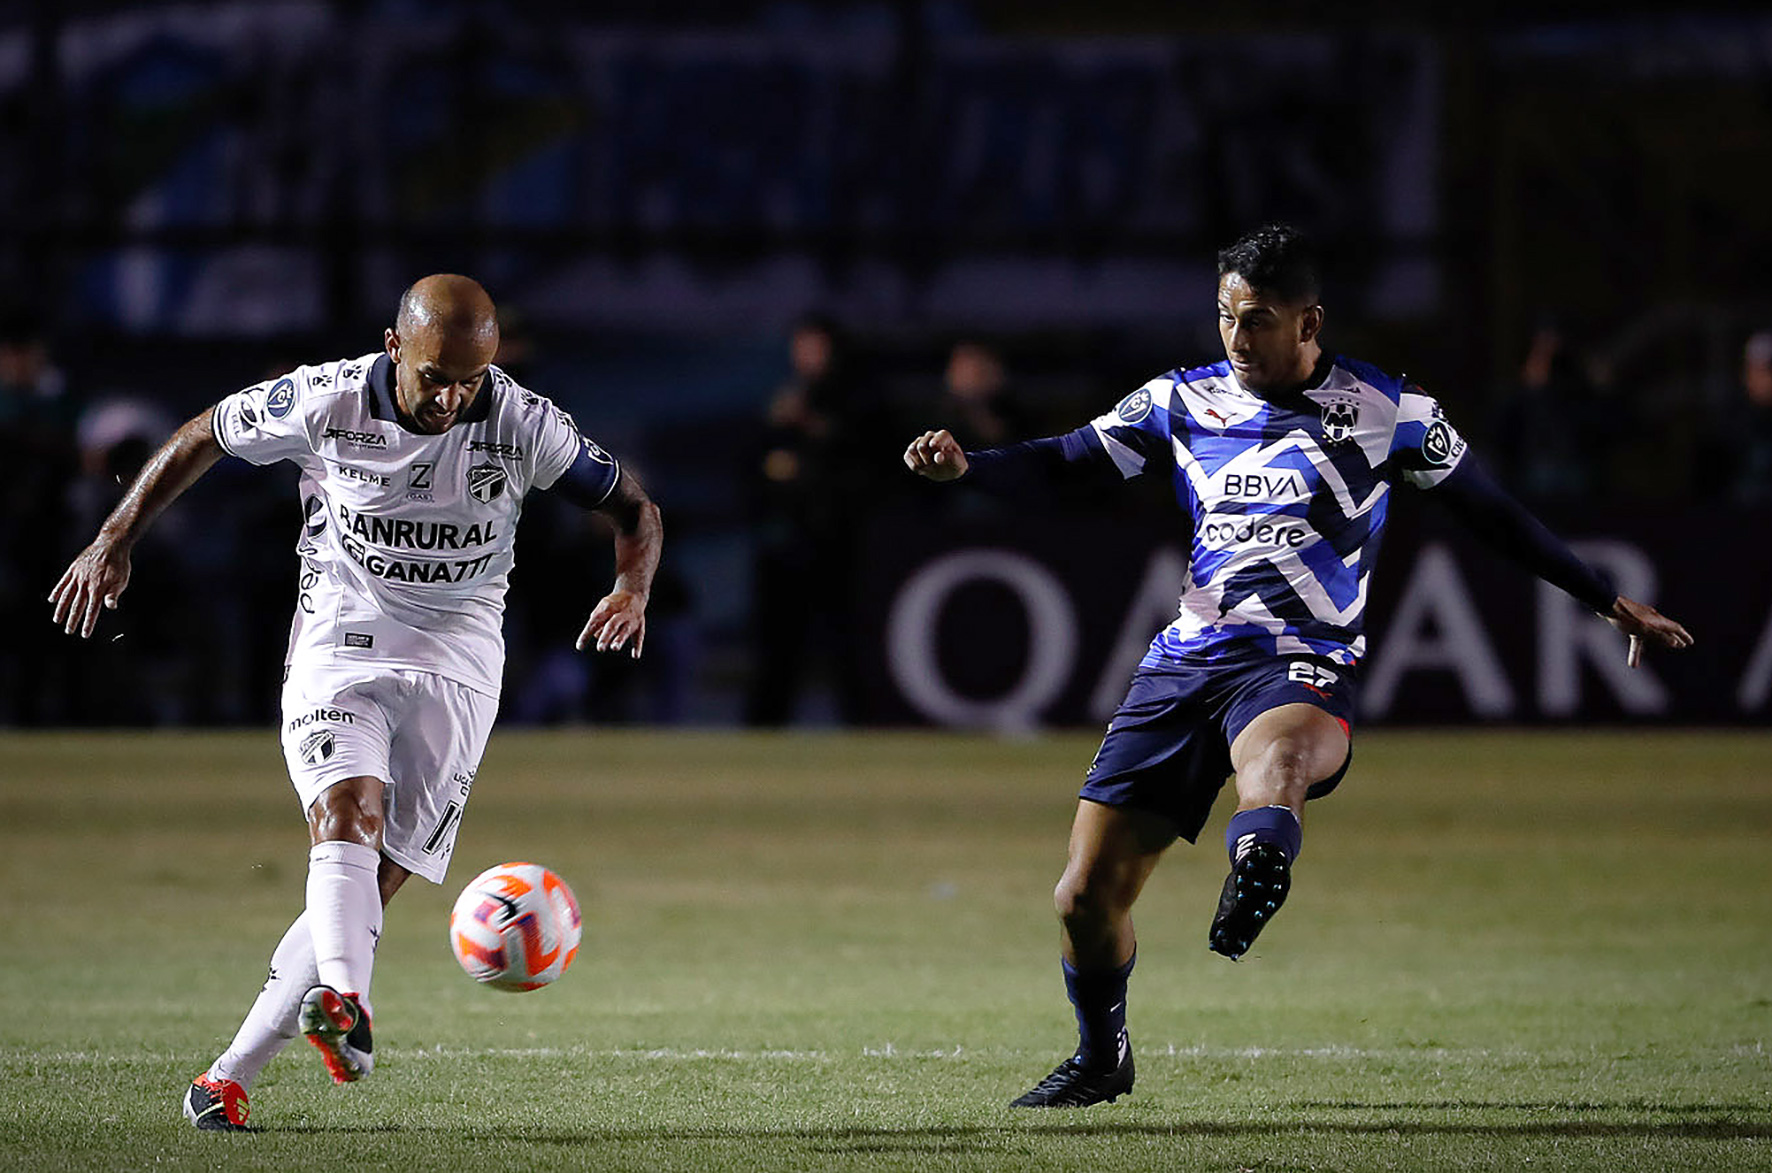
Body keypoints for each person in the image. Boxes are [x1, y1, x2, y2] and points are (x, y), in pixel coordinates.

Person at [903, 225, 1692, 1109]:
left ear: (1308, 321)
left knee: (1273, 770)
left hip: (1298, 658)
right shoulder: (1181, 399)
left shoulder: (1390, 411)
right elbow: (1070, 461)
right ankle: (1102, 1055)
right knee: (1083, 894)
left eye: (1259, 319)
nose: (1237, 337)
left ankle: (1260, 863)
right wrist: (973, 465)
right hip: (1185, 662)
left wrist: (1603, 597)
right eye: (1226, 317)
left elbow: (1494, 514)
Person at [49, 274, 663, 1131]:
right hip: (343, 642)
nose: (451, 398)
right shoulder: (326, 399)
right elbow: (205, 433)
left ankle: (224, 1077)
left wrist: (631, 587)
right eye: (434, 376)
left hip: (459, 666)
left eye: (469, 380)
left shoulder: (522, 420)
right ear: (393, 347)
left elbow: (635, 508)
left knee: (372, 879)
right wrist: (116, 536)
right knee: (347, 811)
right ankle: (349, 1004)